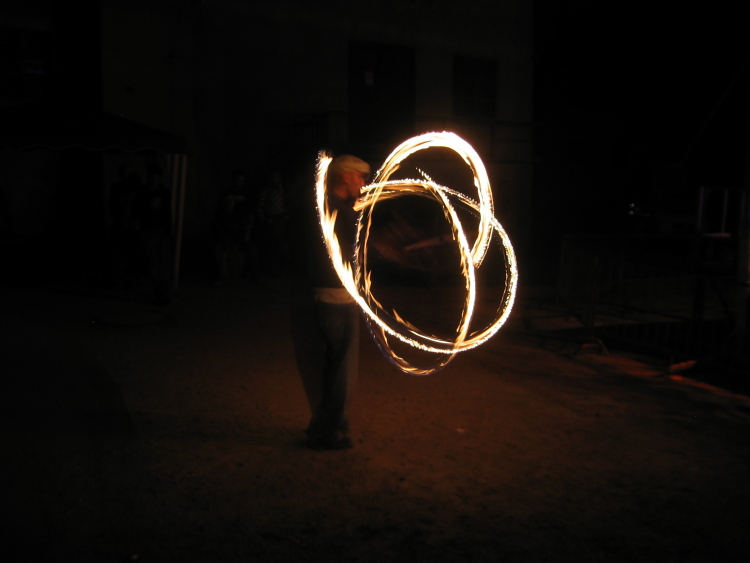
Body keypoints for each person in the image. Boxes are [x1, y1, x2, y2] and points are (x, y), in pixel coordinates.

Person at [288, 154, 371, 450]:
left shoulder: (319, 208)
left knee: (325, 366)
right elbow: (363, 251)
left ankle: (324, 422)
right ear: (345, 176)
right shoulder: (343, 214)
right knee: (340, 369)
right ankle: (329, 431)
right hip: (338, 298)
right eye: (360, 177)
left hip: (318, 297)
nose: (364, 183)